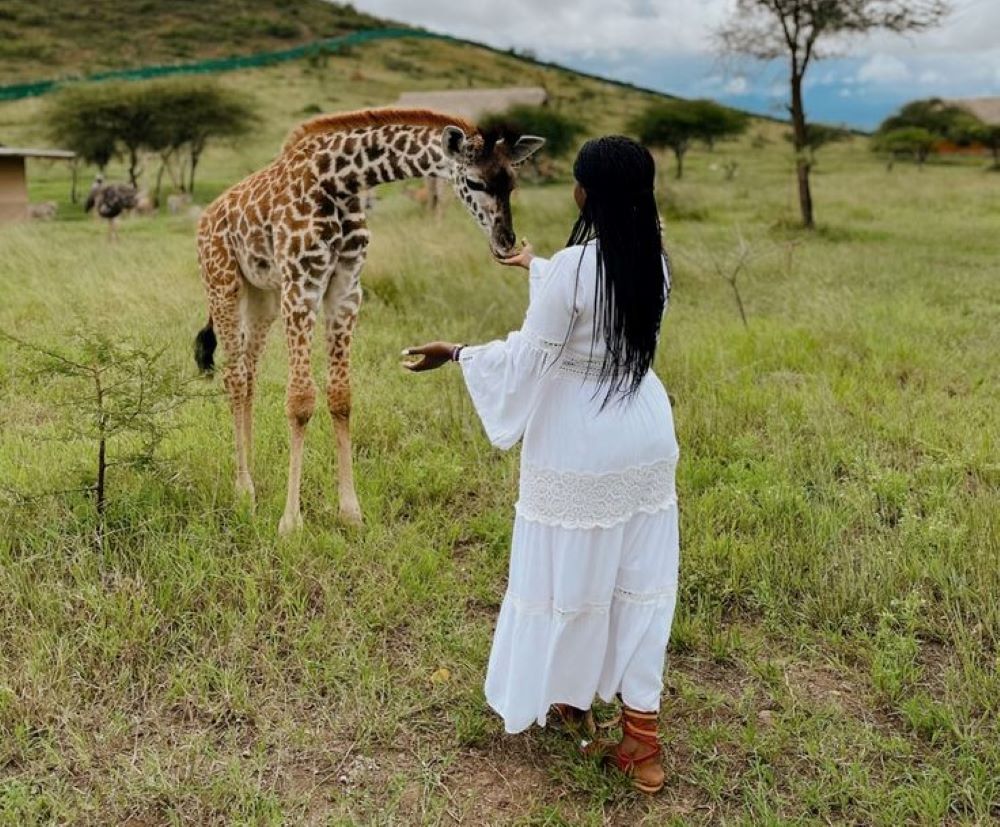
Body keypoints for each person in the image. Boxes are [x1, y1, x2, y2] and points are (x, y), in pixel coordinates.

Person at [403, 135, 679, 794]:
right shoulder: (654, 260)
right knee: (636, 577)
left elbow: (533, 354)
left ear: (586, 194)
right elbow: (592, 299)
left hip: (580, 438)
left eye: (579, 183)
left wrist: (460, 353)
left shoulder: (574, 271)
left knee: (569, 572)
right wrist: (537, 266)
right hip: (644, 430)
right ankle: (642, 740)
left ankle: (567, 690)